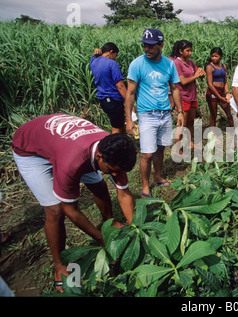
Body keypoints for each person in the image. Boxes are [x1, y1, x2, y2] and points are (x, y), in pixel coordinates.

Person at [11, 114, 137, 292]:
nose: (115, 175)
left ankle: (108, 223)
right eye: (112, 171)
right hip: (29, 149)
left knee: (100, 187)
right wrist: (102, 240)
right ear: (100, 157)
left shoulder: (116, 152)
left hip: (60, 141)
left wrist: (136, 229)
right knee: (55, 211)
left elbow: (123, 193)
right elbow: (71, 210)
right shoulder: (72, 163)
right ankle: (59, 265)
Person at [125, 28, 184, 198]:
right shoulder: (137, 64)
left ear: (161, 46)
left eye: (151, 46)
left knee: (160, 149)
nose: (147, 49)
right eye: (145, 45)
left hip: (165, 113)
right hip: (146, 114)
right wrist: (129, 120)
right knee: (147, 153)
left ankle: (157, 177)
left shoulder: (169, 64)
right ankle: (145, 186)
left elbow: (174, 88)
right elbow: (129, 94)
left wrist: (180, 112)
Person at [173, 40, 206, 150]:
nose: (190, 53)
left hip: (192, 96)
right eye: (187, 50)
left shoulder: (190, 62)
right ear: (180, 51)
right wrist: (196, 76)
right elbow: (182, 81)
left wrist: (201, 73)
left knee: (191, 122)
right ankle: (178, 147)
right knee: (182, 123)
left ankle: (190, 143)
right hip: (183, 97)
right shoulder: (176, 63)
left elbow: (198, 73)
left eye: (191, 50)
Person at [90, 42, 127, 134]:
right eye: (115, 55)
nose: (115, 58)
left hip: (103, 100)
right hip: (113, 100)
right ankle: (112, 147)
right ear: (111, 52)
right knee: (116, 129)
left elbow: (95, 55)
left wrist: (96, 53)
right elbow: (120, 85)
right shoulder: (112, 63)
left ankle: (125, 146)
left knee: (120, 124)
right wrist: (128, 101)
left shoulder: (93, 61)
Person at [205, 47, 233, 129]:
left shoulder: (223, 66)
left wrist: (227, 93)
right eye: (212, 56)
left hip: (221, 92)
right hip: (213, 92)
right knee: (213, 114)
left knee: (228, 112)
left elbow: (225, 82)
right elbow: (210, 84)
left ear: (220, 56)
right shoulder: (210, 67)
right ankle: (213, 135)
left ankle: (234, 131)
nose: (214, 58)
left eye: (216, 56)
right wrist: (219, 97)